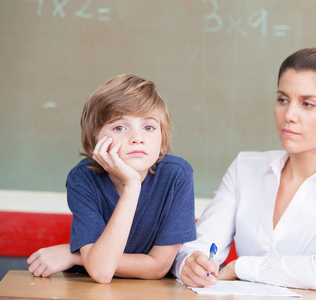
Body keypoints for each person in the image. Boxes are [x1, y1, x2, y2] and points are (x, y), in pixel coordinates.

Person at [172, 48, 316, 292]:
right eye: (282, 100)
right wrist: (189, 264)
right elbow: (197, 247)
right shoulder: (245, 168)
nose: (289, 115)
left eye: (307, 104)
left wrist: (240, 268)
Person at [27, 74, 196, 283]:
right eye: (119, 127)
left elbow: (158, 266)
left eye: (149, 127)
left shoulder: (177, 175)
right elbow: (101, 272)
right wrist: (132, 185)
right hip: (89, 291)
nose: (137, 138)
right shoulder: (83, 178)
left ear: (162, 142)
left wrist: (77, 257)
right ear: (93, 143)